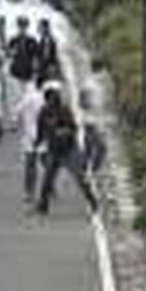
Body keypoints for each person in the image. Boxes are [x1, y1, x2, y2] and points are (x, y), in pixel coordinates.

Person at [35, 87, 99, 215]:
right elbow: (40, 131)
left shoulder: (64, 110)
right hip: (53, 150)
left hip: (69, 149)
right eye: (51, 101)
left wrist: (63, 132)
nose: (53, 104)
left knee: (80, 177)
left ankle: (93, 202)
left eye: (56, 100)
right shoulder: (43, 112)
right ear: (46, 101)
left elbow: (73, 128)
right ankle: (43, 205)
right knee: (47, 178)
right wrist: (37, 144)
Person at [8, 16, 42, 96]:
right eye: (20, 26)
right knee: (16, 91)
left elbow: (36, 56)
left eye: (24, 26)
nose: (22, 29)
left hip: (28, 70)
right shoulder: (13, 40)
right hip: (16, 69)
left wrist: (35, 69)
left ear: (27, 27)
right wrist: (11, 53)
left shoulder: (32, 41)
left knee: (27, 92)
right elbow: (9, 55)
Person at [37, 18, 62, 84]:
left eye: (41, 27)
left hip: (49, 69)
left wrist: (51, 67)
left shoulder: (48, 40)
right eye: (39, 27)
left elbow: (48, 55)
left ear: (46, 28)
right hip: (45, 69)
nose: (39, 29)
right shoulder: (43, 40)